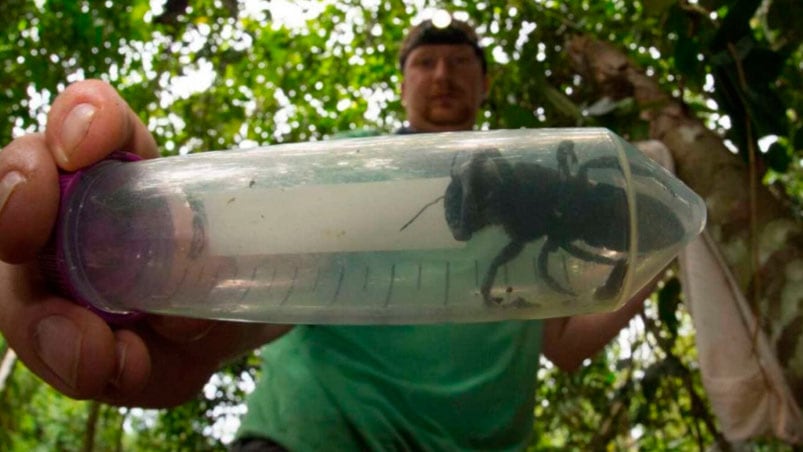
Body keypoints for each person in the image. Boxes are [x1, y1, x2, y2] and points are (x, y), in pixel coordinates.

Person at [0, 17, 650, 450]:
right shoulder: (351, 161)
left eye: (458, 62)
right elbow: (265, 273)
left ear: (485, 81)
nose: (443, 76)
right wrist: (172, 286)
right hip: (315, 435)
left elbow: (564, 343)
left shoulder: (540, 171)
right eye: (425, 63)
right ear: (402, 83)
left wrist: (654, 253)